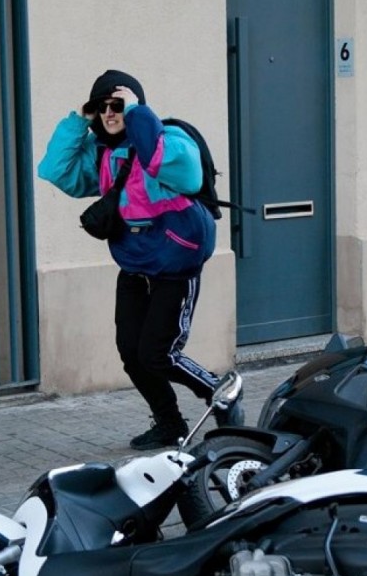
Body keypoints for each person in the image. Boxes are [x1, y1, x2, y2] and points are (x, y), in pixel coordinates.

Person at [37, 69, 243, 449]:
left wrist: (139, 115)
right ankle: (170, 423)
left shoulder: (169, 139)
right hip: (134, 265)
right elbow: (54, 170)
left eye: (117, 105)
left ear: (133, 107)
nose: (109, 113)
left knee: (158, 353)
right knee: (132, 354)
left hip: (174, 263)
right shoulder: (101, 154)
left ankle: (219, 391)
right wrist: (78, 122)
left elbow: (186, 174)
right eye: (101, 108)